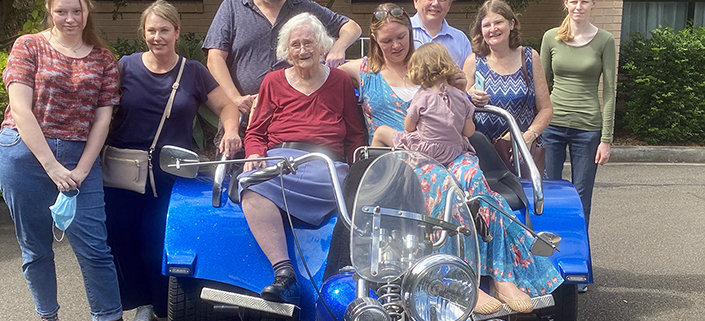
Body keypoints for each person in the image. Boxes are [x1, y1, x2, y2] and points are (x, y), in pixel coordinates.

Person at [340, 3, 562, 315]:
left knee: (477, 183)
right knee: (448, 189)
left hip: (450, 148)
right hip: (400, 157)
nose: (395, 45)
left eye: (401, 37)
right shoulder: (362, 70)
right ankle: (461, 276)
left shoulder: (428, 69)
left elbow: (464, 102)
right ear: (375, 40)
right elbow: (315, 68)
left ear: (410, 35)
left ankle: (501, 276)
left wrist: (465, 93)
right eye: (386, 40)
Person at [102, 1, 241, 319]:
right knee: (122, 237)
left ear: (177, 32)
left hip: (173, 172)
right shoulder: (126, 66)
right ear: (144, 33)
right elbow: (100, 109)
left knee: (161, 239)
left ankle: (164, 307)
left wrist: (231, 130)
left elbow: (227, 107)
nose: (157, 36)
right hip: (124, 169)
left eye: (164, 30)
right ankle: (142, 304)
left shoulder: (193, 72)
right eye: (151, 30)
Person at [0, 0, 124, 319]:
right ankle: (48, 315)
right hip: (25, 153)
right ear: (49, 9)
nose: (70, 19)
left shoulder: (103, 59)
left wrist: (82, 169)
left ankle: (108, 316)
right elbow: (20, 108)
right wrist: (52, 166)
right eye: (61, 11)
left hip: (79, 155)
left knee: (96, 249)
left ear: (87, 11)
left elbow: (101, 120)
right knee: (36, 248)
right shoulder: (28, 45)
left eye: (77, 11)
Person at [238, 12, 365, 305]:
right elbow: (255, 132)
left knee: (360, 193)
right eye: (295, 45)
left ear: (322, 46)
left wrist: (357, 169)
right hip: (281, 159)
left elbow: (355, 135)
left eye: (308, 43)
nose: (302, 50)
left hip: (327, 166)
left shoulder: (341, 81)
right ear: (287, 50)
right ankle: (284, 274)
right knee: (249, 185)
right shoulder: (272, 81)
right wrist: (255, 153)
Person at [541, 0, 616, 292]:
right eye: (573, 0)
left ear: (593, 4)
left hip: (588, 129)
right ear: (565, 3)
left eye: (585, 0)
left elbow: (609, 91)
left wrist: (606, 138)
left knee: (581, 198)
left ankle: (578, 264)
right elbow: (542, 85)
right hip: (554, 126)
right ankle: (547, 265)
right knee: (548, 194)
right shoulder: (551, 37)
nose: (579, 6)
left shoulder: (605, 40)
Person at [202, 0, 362, 123]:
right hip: (246, 114)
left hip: (294, 115)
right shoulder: (232, 7)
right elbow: (215, 58)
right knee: (237, 161)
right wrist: (235, 99)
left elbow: (352, 27)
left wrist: (338, 47)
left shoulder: (304, 6)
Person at [463, 0, 552, 152]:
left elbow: (546, 109)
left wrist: (529, 136)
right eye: (486, 25)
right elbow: (458, 110)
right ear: (480, 30)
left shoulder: (529, 57)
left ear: (511, 24)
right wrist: (468, 97)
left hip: (520, 152)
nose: (493, 29)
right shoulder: (473, 61)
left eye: (498, 22)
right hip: (482, 153)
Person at [371, 42, 475, 166]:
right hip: (453, 152)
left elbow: (408, 127)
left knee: (381, 132)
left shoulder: (423, 96)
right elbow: (469, 131)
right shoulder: (461, 96)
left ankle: (375, 177)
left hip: (425, 152)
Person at [410, 0, 472, 67]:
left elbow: (468, 75)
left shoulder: (460, 40)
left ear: (449, 5)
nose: (435, 3)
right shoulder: (403, 31)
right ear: (416, 2)